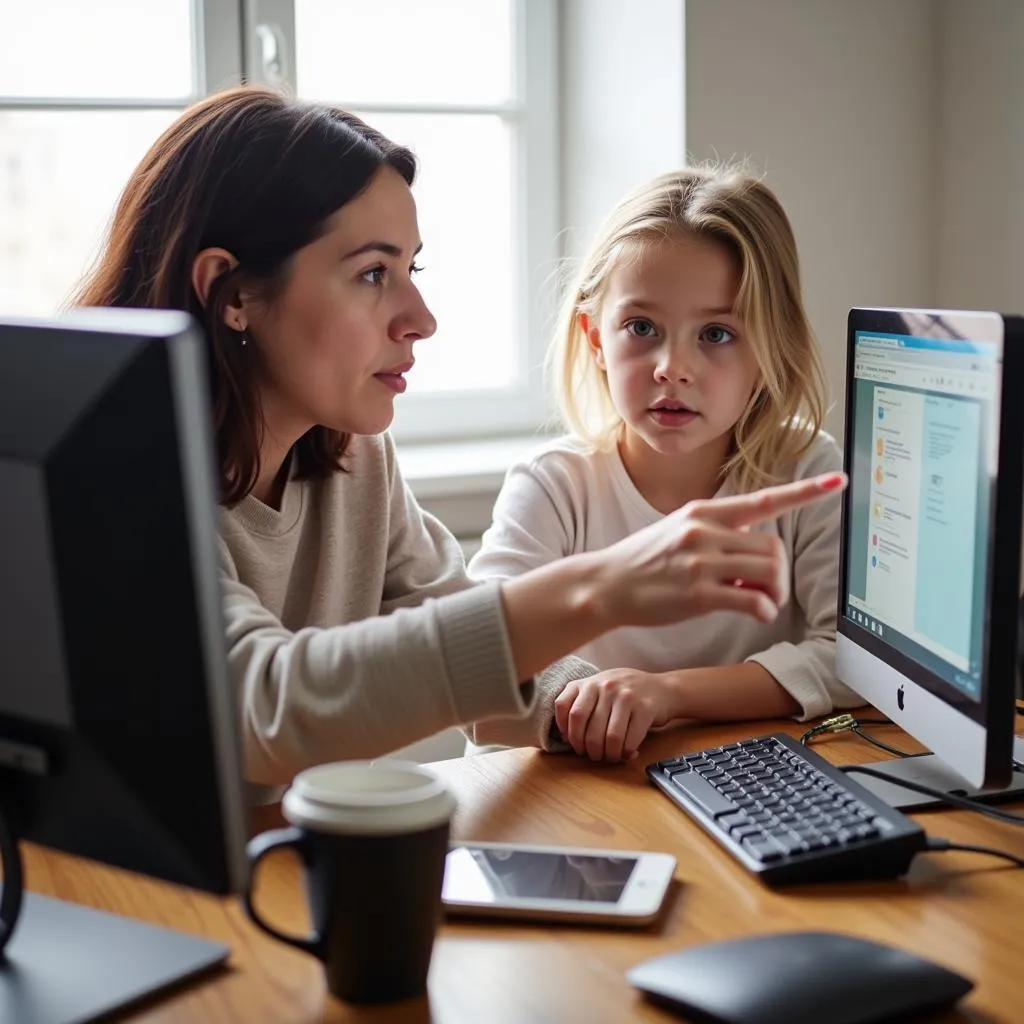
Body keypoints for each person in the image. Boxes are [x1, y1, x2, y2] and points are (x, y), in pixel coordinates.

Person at [71, 88, 844, 789]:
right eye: (374, 273)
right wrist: (600, 588)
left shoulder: (350, 456)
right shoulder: (119, 478)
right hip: (119, 905)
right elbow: (260, 708)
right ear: (234, 294)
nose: (421, 317)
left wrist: (612, 707)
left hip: (269, 870)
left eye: (412, 267)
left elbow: (472, 638)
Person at [469, 165, 861, 763]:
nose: (672, 367)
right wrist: (590, 700)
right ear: (596, 338)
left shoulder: (805, 470)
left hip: (736, 784)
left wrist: (667, 695)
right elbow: (474, 668)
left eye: (718, 334)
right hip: (575, 801)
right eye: (642, 327)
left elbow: (852, 659)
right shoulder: (553, 484)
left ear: (769, 348)